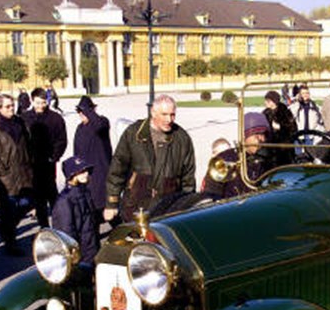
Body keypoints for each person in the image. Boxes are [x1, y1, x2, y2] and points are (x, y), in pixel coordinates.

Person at [104, 94, 195, 223]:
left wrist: (188, 208)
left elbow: (188, 179)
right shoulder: (133, 134)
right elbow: (117, 168)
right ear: (153, 112)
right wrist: (111, 203)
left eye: (172, 114)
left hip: (168, 209)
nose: (169, 119)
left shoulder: (182, 138)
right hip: (136, 205)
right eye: (164, 114)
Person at [0, 93, 34, 255]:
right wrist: (4, 172)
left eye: (12, 105)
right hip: (5, 180)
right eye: (8, 106)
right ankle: (10, 243)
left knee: (27, 203)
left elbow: (27, 145)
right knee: (9, 211)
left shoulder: (19, 122)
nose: (12, 108)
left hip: (24, 175)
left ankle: (3, 225)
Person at [203, 112, 276, 199]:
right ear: (244, 136)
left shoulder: (269, 160)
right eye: (256, 134)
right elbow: (210, 194)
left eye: (264, 134)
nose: (261, 139)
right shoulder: (224, 160)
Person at [22, 87, 68, 228]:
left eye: (43, 102)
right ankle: (44, 228)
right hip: (31, 165)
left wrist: (53, 157)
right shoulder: (24, 118)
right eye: (37, 102)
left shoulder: (55, 118)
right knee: (38, 200)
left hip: (48, 164)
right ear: (32, 101)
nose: (41, 106)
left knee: (52, 196)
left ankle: (59, 227)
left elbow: (62, 140)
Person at [52, 156, 99, 264]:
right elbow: (66, 231)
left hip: (91, 247)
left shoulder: (84, 191)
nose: (86, 174)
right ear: (72, 175)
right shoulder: (65, 200)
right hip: (80, 252)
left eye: (86, 171)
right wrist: (74, 255)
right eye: (81, 172)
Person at [73, 95, 112, 223]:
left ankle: (121, 235)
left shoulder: (102, 122)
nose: (82, 115)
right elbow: (76, 151)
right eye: (80, 112)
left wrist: (88, 111)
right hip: (87, 174)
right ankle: (92, 240)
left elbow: (99, 125)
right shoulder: (79, 128)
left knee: (108, 209)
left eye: (84, 112)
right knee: (91, 211)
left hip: (102, 171)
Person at [263, 90, 297, 166]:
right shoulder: (265, 113)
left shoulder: (285, 112)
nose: (265, 103)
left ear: (273, 102)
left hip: (284, 149)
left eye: (268, 101)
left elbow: (293, 128)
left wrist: (280, 127)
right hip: (270, 148)